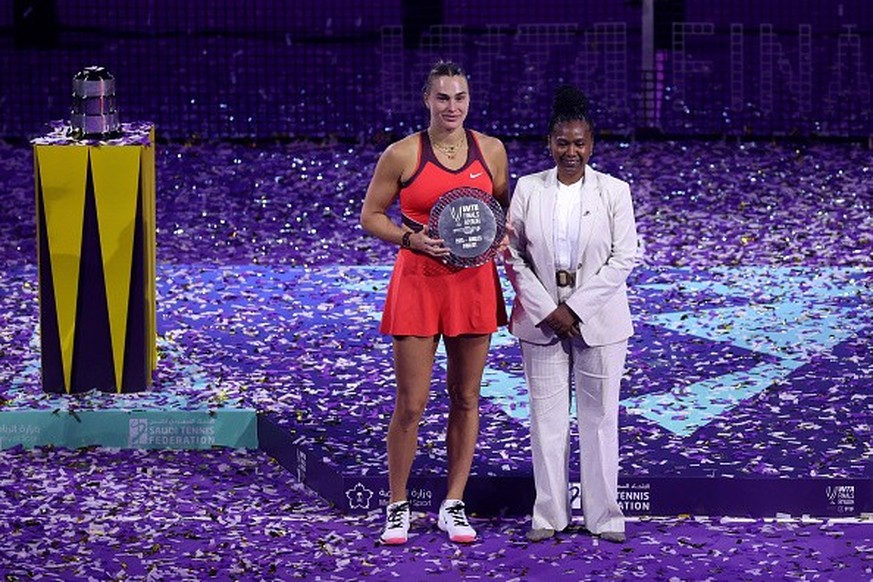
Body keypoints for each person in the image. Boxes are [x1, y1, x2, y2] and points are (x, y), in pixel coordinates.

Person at [360, 60, 510, 545]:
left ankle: (453, 505)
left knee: (466, 398)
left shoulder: (492, 150)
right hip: (419, 284)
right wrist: (410, 239)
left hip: (473, 287)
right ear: (427, 99)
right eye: (443, 97)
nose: (452, 106)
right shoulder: (402, 154)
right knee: (412, 403)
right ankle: (398, 505)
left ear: (469, 100)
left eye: (460, 97)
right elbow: (371, 215)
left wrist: (501, 236)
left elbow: (499, 210)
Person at [504, 85, 638, 544]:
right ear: (549, 143)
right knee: (546, 420)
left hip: (599, 322)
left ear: (592, 144)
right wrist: (549, 310)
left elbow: (624, 257)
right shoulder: (527, 189)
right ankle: (549, 515)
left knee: (601, 421)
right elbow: (512, 254)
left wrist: (575, 309)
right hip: (541, 323)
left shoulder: (615, 192)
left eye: (579, 143)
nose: (571, 151)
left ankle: (604, 517)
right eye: (563, 142)